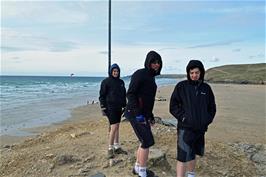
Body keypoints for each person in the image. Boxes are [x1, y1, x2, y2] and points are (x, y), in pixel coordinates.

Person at [169, 60, 216, 177]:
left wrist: (207, 119)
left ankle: (191, 174)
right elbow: (173, 106)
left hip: (200, 129)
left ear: (201, 73)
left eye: (196, 72)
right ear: (188, 73)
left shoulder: (206, 88)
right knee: (182, 156)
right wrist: (184, 118)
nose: (194, 75)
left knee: (193, 153)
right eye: (191, 73)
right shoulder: (181, 87)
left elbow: (212, 107)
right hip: (185, 128)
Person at [124, 51, 162, 177]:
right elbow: (130, 93)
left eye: (158, 62)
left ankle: (137, 167)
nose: (156, 65)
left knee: (143, 141)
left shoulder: (151, 77)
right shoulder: (140, 74)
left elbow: (148, 100)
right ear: (148, 62)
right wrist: (138, 113)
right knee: (147, 141)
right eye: (154, 62)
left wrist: (150, 116)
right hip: (134, 113)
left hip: (143, 114)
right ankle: (142, 172)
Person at [99, 63, 127, 159]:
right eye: (114, 71)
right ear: (111, 72)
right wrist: (103, 107)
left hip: (119, 108)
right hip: (110, 108)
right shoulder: (106, 82)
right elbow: (102, 96)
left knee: (117, 127)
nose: (116, 73)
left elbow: (124, 95)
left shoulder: (121, 82)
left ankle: (117, 146)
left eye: (117, 71)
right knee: (114, 127)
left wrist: (125, 106)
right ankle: (110, 149)